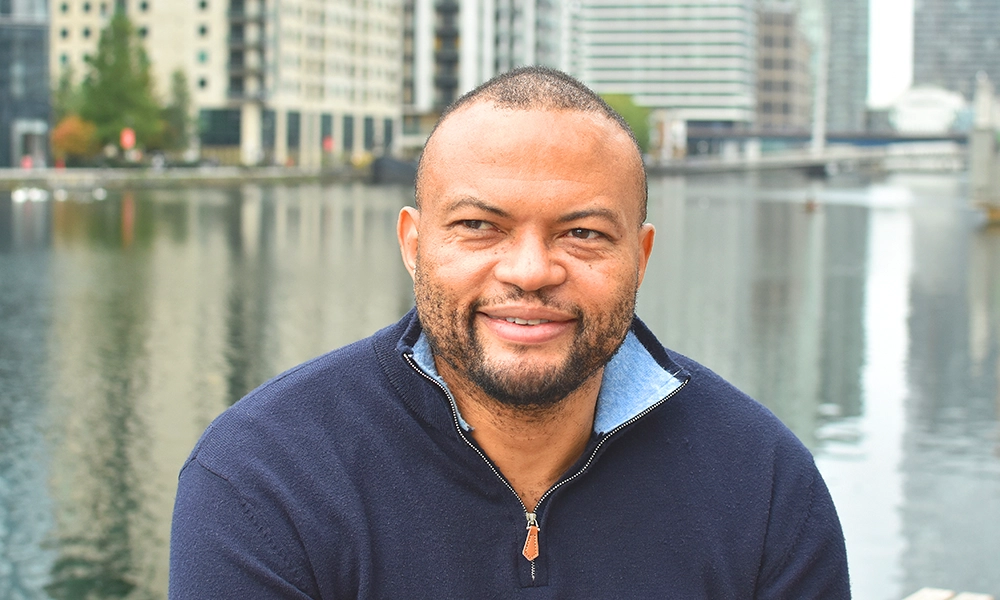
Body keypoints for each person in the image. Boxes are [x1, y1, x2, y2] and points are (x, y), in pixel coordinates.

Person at [169, 67, 850, 599]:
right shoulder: (263, 480)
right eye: (479, 226)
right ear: (413, 244)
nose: (529, 271)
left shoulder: (764, 487)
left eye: (582, 234)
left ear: (640, 257)